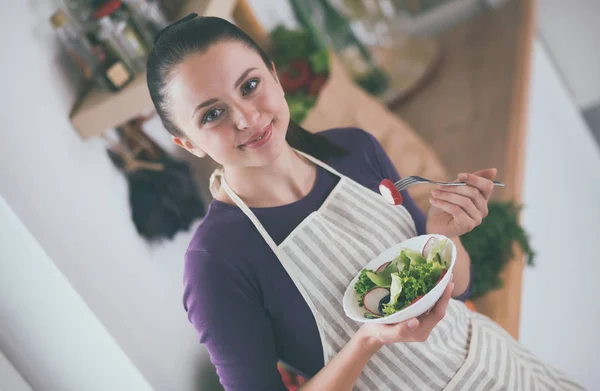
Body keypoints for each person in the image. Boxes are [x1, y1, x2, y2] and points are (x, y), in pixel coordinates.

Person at [146, 14, 584, 391]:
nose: (245, 117)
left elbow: (460, 287)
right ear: (188, 143)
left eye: (250, 85)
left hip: (505, 369)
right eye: (212, 114)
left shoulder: (354, 151)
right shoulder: (215, 262)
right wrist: (367, 340)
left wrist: (444, 235)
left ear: (276, 78)